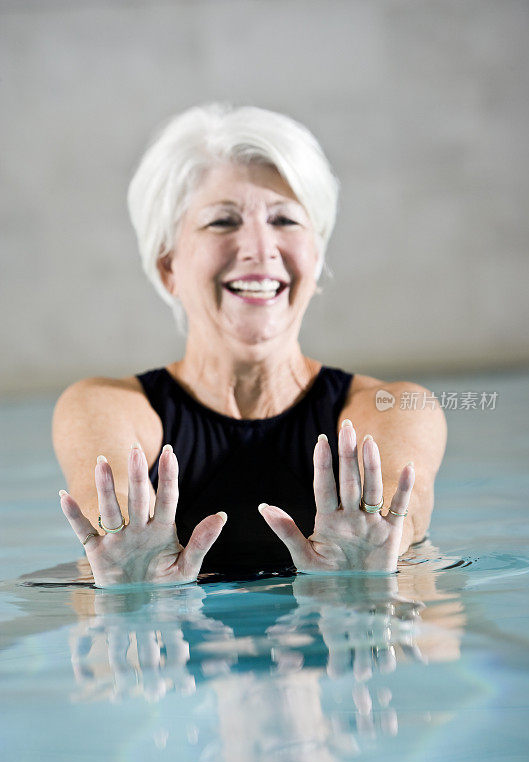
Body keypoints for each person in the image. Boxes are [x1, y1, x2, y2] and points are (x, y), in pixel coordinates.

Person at [53, 104, 447, 587]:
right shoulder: (106, 405)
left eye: (285, 220)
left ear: (317, 258)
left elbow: (405, 514)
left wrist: (371, 579)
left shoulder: (396, 407)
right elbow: (103, 515)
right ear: (168, 266)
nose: (260, 249)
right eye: (222, 222)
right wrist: (128, 591)